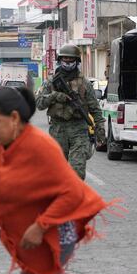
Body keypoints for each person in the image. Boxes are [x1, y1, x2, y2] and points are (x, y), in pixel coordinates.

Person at [0, 86, 118, 274]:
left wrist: (40, 226)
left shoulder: (42, 147)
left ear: (14, 118)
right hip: (30, 239)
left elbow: (72, 193)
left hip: (55, 237)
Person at [36, 44, 106, 180]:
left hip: (79, 129)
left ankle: (75, 199)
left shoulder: (84, 83)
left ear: (77, 61)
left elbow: (95, 109)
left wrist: (100, 127)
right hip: (58, 129)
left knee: (77, 172)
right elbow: (39, 104)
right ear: (60, 60)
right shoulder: (50, 82)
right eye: (65, 60)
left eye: (71, 60)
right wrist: (54, 96)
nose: (67, 63)